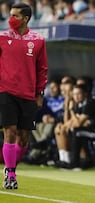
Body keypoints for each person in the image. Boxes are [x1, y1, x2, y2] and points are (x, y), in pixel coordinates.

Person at [0, 3, 48, 189]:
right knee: (10, 132)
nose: (11, 19)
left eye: (15, 16)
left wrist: (39, 93)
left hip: (28, 94)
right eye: (10, 15)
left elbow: (42, 69)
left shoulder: (38, 40)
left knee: (24, 138)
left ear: (26, 19)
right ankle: (11, 174)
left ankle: (11, 168)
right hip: (6, 91)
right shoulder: (2, 37)